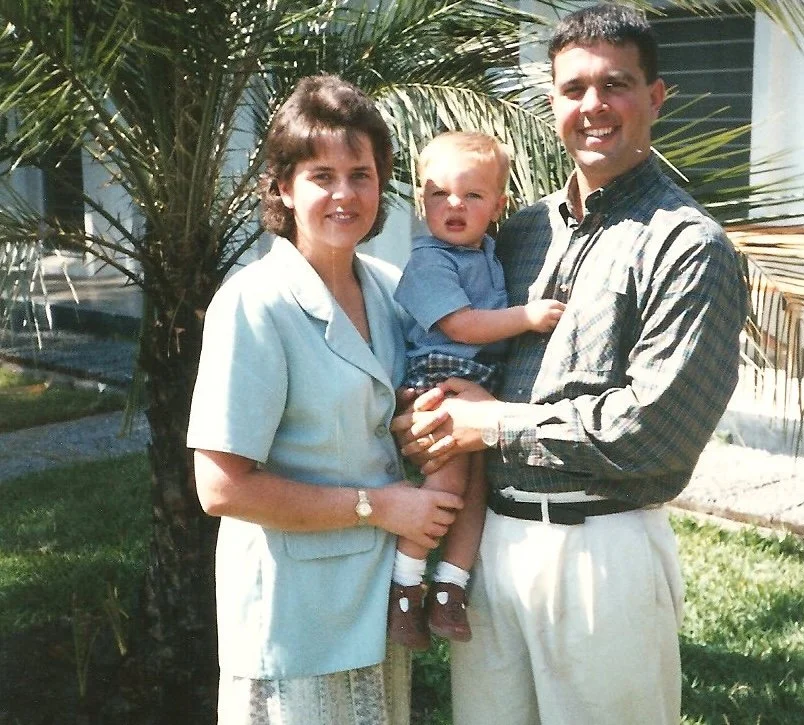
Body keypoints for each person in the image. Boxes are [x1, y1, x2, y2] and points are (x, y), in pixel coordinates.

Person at [392, 5, 748, 724]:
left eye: (615, 84)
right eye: (573, 89)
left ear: (655, 97)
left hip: (602, 552)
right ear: (552, 102)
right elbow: (465, 355)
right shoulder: (515, 232)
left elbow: (652, 430)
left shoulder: (689, 247)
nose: (593, 107)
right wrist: (427, 411)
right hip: (490, 547)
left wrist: (489, 423)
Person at [187, 74, 463, 725]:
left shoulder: (397, 293)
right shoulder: (253, 304)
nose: (345, 194)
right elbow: (220, 488)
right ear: (282, 186)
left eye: (361, 174)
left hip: (377, 607)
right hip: (294, 618)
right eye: (322, 175)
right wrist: (379, 505)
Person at [388, 131, 566, 650]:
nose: (454, 205)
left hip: (479, 391)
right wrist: (527, 317)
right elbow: (462, 326)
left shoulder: (488, 253)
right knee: (444, 488)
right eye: (439, 193)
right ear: (422, 201)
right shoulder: (430, 261)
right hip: (439, 384)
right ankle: (405, 589)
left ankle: (451, 589)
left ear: (498, 206)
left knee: (474, 496)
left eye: (472, 195)